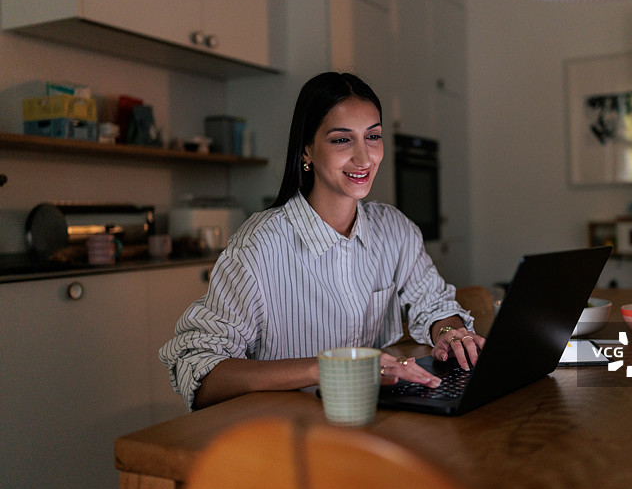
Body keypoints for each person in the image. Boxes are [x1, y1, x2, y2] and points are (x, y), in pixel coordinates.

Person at [159, 72, 485, 410]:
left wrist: (450, 334)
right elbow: (201, 372)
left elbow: (435, 305)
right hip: (287, 428)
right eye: (342, 140)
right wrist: (327, 368)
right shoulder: (258, 246)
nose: (364, 158)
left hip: (370, 417)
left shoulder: (394, 230)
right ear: (307, 150)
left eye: (372, 136)